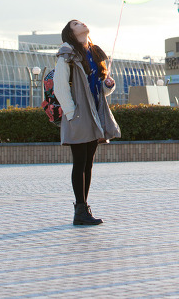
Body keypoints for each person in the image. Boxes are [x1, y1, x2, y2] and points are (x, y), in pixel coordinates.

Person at [54, 19, 122, 226]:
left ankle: (83, 209)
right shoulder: (66, 55)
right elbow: (60, 86)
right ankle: (80, 209)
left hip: (95, 111)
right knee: (80, 160)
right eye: (76, 24)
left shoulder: (93, 53)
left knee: (89, 162)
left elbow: (99, 86)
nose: (81, 24)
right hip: (78, 113)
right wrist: (71, 112)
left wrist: (108, 85)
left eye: (81, 22)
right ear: (70, 32)